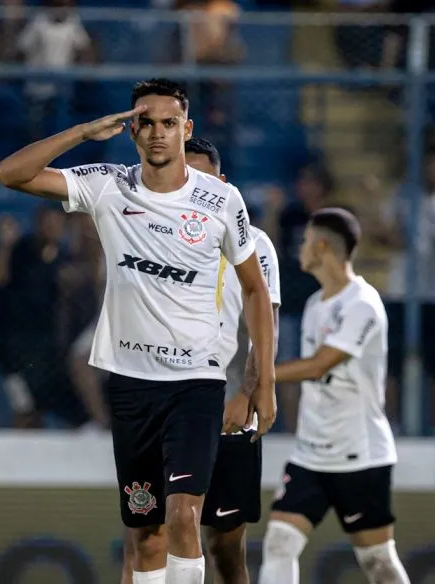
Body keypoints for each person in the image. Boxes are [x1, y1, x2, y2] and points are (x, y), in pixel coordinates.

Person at [0, 78, 277, 584]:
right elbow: (10, 173)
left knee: (184, 515)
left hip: (196, 382)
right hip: (129, 383)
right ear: (131, 131)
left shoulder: (221, 200)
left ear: (186, 128)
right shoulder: (108, 184)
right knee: (146, 535)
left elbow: (256, 290)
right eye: (146, 123)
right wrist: (84, 132)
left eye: (169, 123)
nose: (158, 132)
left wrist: (265, 383)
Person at [120, 137, 282, 584]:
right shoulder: (151, 237)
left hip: (228, 408)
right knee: (144, 537)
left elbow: (265, 322)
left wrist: (250, 390)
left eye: (202, 179)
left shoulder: (255, 245)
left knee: (226, 548)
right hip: (163, 404)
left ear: (222, 184)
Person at [258, 208, 410, 584]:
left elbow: (318, 366)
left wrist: (259, 379)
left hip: (359, 454)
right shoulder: (315, 304)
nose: (300, 249)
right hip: (310, 454)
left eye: (306, 241)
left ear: (323, 246)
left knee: (377, 561)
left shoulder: (363, 303)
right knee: (279, 542)